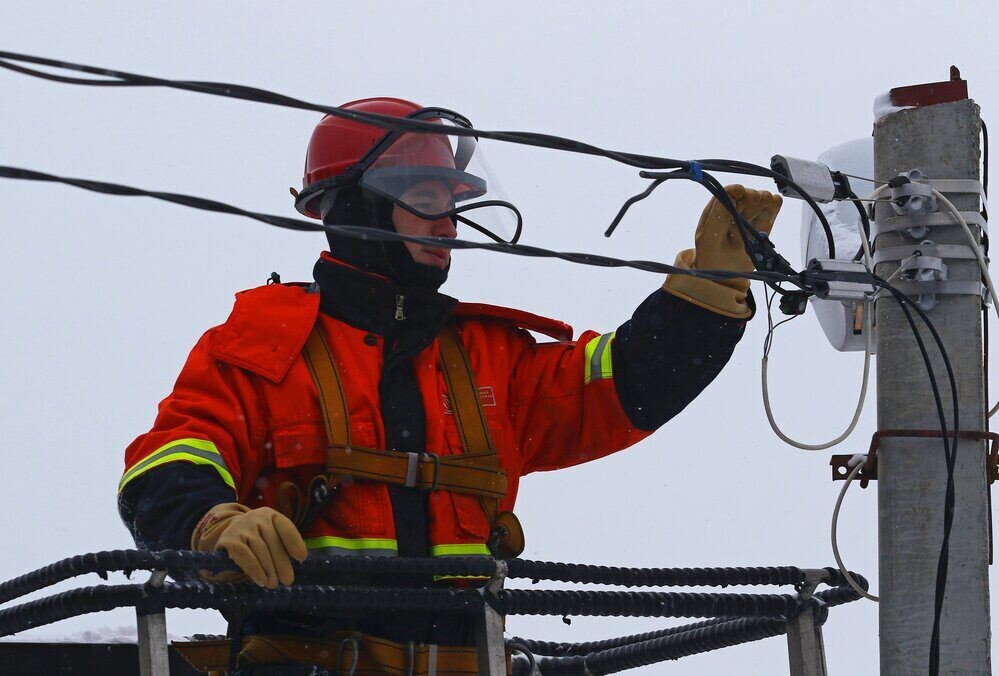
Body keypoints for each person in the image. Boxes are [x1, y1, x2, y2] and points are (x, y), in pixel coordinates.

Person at [118, 97, 782, 675]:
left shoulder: (488, 359)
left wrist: (705, 296)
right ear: (358, 205)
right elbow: (168, 460)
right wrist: (213, 522)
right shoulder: (264, 347)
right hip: (307, 666)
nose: (448, 222)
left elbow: (618, 389)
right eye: (427, 199)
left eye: (452, 202)